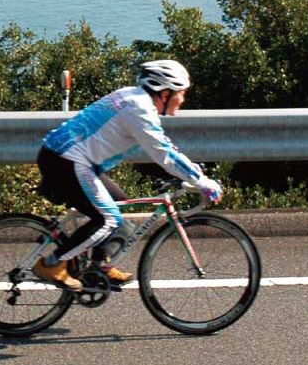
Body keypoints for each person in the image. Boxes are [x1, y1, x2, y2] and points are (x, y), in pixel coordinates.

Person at [32, 59, 221, 291]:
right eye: (180, 93)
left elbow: (165, 147)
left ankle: (100, 265)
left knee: (119, 203)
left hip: (70, 158)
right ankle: (52, 264)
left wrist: (194, 173)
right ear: (164, 93)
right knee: (108, 218)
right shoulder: (138, 109)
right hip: (67, 161)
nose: (182, 99)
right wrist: (202, 182)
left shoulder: (134, 97)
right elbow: (165, 154)